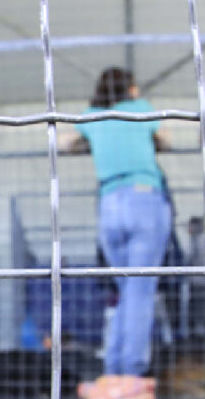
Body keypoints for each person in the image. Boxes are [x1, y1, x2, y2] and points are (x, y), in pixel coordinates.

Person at [66, 67, 171, 377]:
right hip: (143, 197)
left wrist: (95, 144)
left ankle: (112, 366)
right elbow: (167, 138)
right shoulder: (140, 109)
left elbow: (63, 142)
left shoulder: (92, 116)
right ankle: (131, 371)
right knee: (140, 291)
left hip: (109, 203)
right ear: (131, 89)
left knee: (126, 290)